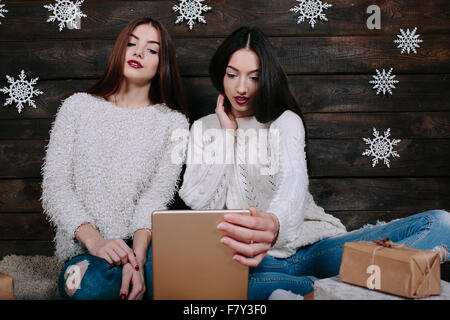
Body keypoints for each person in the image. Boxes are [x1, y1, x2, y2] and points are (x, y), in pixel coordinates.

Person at [178, 26, 450, 300]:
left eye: (254, 77)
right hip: (253, 262)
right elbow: (200, 201)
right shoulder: (204, 128)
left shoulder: (284, 121)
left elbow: (294, 182)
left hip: (313, 250)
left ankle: (321, 286)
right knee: (199, 287)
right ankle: (324, 288)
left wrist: (275, 222)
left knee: (442, 224)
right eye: (232, 74)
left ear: (268, 78)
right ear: (220, 73)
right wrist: (227, 137)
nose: (241, 87)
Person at [41, 17, 189, 300]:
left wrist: (138, 260)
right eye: (131, 44)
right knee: (89, 286)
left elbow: (156, 198)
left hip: (142, 244)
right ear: (119, 50)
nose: (138, 52)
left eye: (152, 49)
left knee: (180, 281)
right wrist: (96, 242)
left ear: (163, 63)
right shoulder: (77, 107)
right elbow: (55, 188)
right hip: (86, 248)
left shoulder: (175, 124)